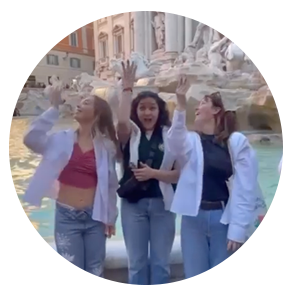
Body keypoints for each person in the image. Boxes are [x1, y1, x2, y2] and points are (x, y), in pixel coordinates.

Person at [167, 75, 260, 285]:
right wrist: (180, 105)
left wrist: (238, 229)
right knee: (195, 282)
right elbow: (174, 144)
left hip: (223, 219)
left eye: (203, 103)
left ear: (216, 110)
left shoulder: (236, 142)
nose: (197, 107)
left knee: (223, 281)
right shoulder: (191, 140)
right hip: (193, 219)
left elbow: (246, 187)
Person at [23, 85, 119, 285]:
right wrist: (54, 108)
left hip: (95, 218)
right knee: (71, 279)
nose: (79, 105)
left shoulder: (106, 147)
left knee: (95, 278)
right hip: (67, 218)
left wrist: (110, 217)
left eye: (86, 103)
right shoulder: (60, 139)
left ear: (97, 113)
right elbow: (30, 139)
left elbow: (110, 185)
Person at [117, 60, 179, 285]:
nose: (147, 112)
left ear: (159, 111)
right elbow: (122, 120)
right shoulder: (130, 135)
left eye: (152, 107)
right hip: (134, 206)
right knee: (136, 264)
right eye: (142, 108)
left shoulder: (171, 135)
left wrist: (154, 173)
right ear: (136, 111)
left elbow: (179, 176)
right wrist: (127, 88)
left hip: (163, 205)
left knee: (161, 264)